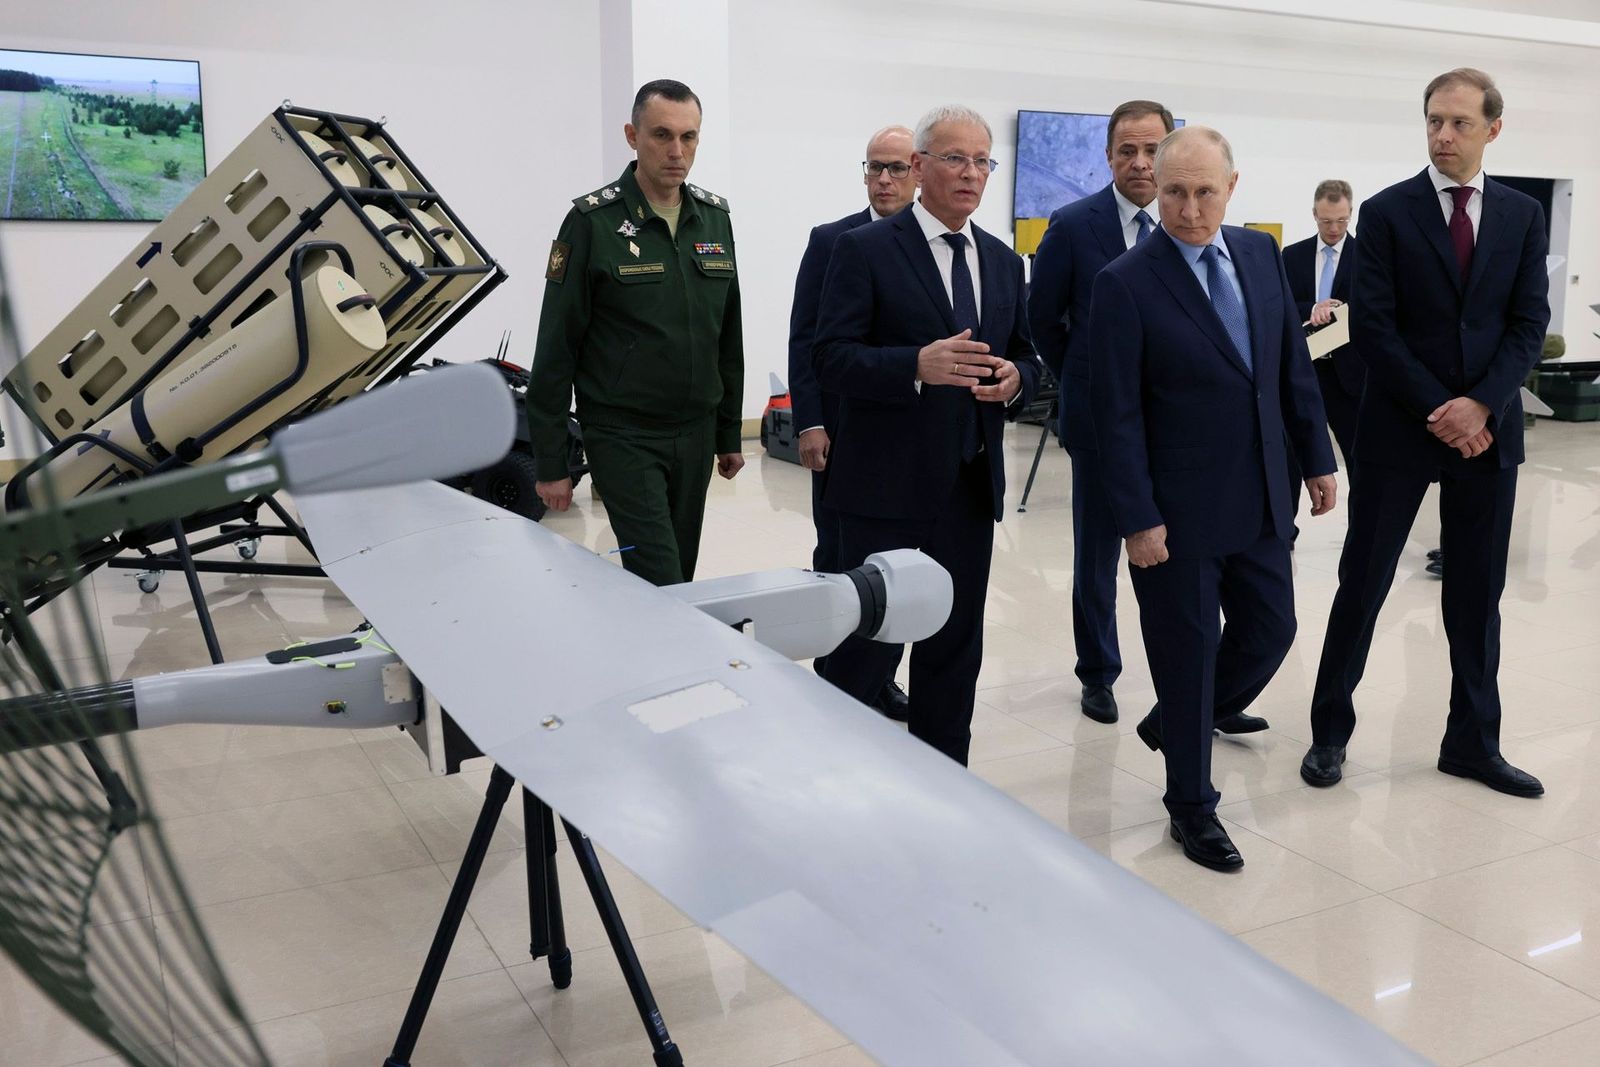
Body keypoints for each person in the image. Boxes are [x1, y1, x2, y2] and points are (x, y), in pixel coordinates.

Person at [1089, 127, 1337, 871]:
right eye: (1174, 193)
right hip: (1176, 514)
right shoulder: (1125, 282)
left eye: (1204, 192)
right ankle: (1191, 808)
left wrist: (1317, 458)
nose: (1190, 210)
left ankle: (1179, 717)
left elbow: (1290, 368)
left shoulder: (1259, 254)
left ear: (1232, 187)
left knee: (1272, 628)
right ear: (1155, 191)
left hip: (1262, 494)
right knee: (1188, 655)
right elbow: (1114, 415)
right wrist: (1137, 518)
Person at [1301, 69, 1550, 797]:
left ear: (1492, 130)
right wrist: (1445, 409)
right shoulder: (1387, 212)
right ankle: (1329, 733)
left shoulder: (1522, 215)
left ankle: (1472, 743)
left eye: (1459, 123)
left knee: (1476, 595)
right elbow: (1374, 327)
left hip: (1488, 433)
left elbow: (1527, 322)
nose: (1443, 135)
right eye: (1434, 121)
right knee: (1364, 582)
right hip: (1401, 427)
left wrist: (1482, 405)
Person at [813, 104, 1042, 765]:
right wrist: (913, 364)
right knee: (864, 644)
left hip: (967, 488)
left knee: (954, 646)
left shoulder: (1002, 261)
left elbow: (1026, 353)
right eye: (954, 159)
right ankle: (831, 772)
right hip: (883, 490)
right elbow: (831, 356)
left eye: (982, 161)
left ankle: (946, 780)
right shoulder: (864, 250)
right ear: (918, 166)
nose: (971, 173)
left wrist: (1017, 379)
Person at [527, 79, 744, 586]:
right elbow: (556, 345)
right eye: (661, 135)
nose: (676, 151)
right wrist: (551, 461)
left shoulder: (714, 219)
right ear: (632, 136)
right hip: (623, 434)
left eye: (689, 137)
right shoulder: (592, 223)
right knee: (660, 575)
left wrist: (728, 431)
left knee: (678, 575)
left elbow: (727, 334)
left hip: (695, 431)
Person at [1028, 100, 1175, 728]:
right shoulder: (1072, 225)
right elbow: (1042, 319)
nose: (1140, 163)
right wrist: (1085, 378)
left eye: (1152, 150)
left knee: (1180, 555)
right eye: (1127, 151)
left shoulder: (1186, 219)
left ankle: (1192, 681)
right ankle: (1098, 672)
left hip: (1175, 423)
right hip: (1096, 423)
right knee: (1097, 555)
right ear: (1108, 156)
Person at [787, 125, 917, 720]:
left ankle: (881, 674)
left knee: (900, 563)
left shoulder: (932, 246)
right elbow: (805, 339)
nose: (883, 180)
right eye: (874, 167)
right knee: (840, 555)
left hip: (908, 438)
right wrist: (810, 422)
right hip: (841, 434)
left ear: (917, 172)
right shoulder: (831, 240)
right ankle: (835, 672)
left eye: (895, 168)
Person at [1281, 179, 1363, 480]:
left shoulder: (1365, 256)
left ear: (1350, 213)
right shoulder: (1292, 256)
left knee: (1358, 460)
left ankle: (1359, 514)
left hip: (1349, 375)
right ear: (1314, 214)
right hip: (1304, 370)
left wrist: (1342, 310)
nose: (1334, 228)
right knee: (1291, 458)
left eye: (1342, 220)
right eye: (1327, 221)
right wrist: (1312, 309)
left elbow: (1376, 308)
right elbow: (1280, 305)